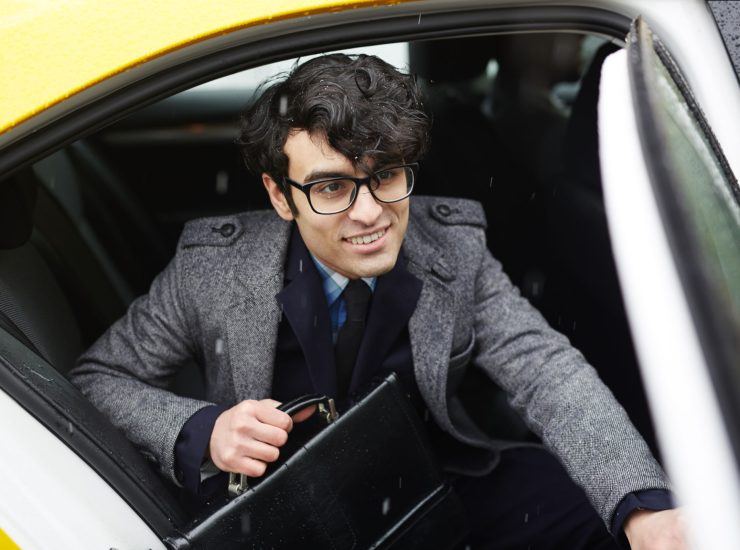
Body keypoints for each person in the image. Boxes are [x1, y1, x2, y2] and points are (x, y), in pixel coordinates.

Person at [70, 53, 686, 549]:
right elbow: (100, 377)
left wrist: (644, 506)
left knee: (592, 515)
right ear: (280, 195)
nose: (370, 215)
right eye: (333, 186)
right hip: (283, 511)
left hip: (436, 479)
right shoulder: (212, 269)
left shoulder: (453, 250)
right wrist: (204, 430)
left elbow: (548, 373)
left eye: (386, 175)